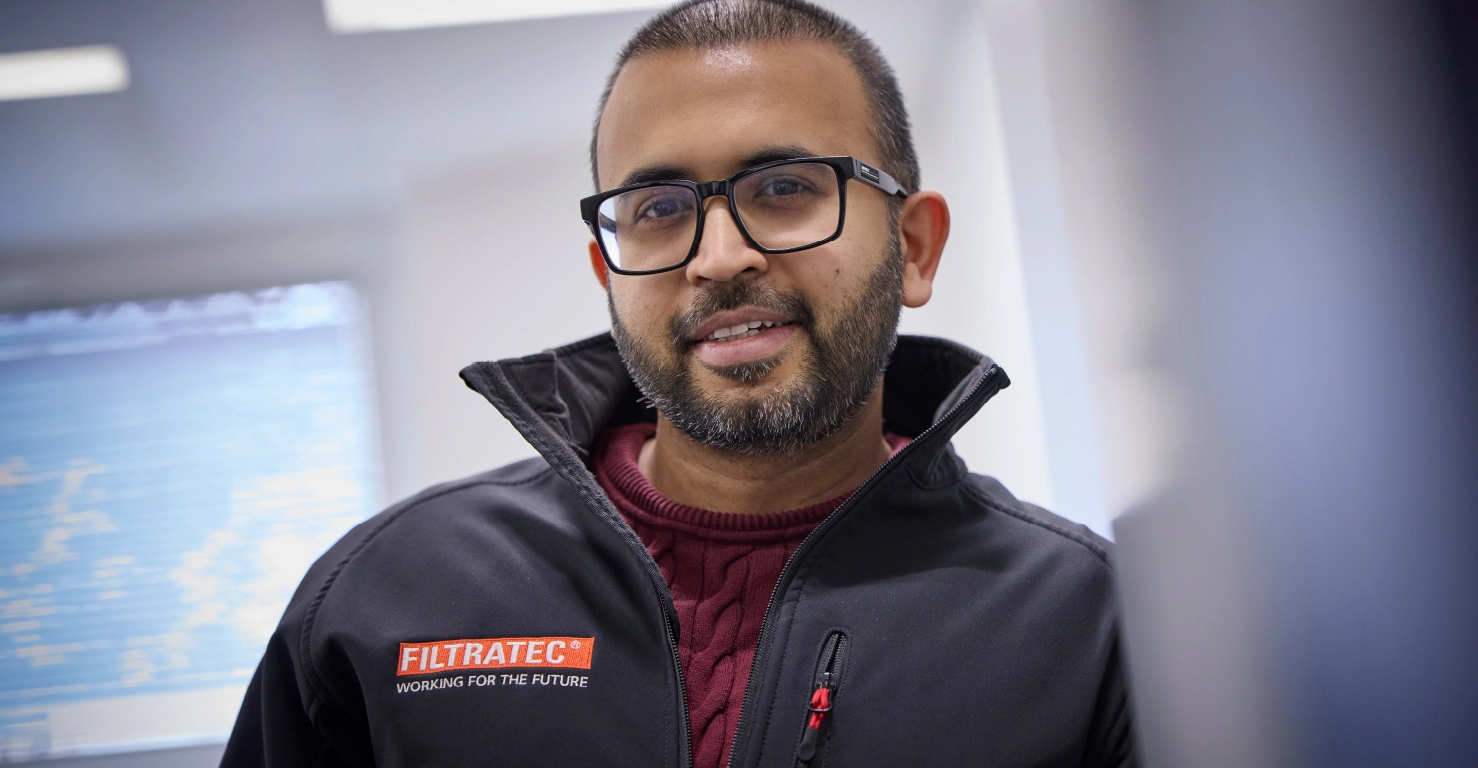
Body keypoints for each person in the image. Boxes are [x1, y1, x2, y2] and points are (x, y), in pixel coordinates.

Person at [220, 1, 1130, 766]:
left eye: (783, 188)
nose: (720, 258)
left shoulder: (1088, 624)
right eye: (659, 211)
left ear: (914, 248)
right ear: (607, 270)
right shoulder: (384, 596)